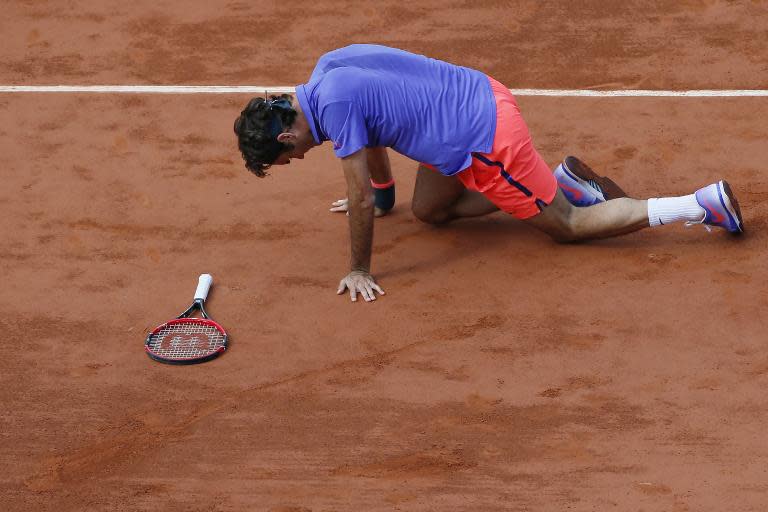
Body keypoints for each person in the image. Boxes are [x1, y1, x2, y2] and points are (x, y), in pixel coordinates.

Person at [234, 44, 744, 303]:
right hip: (469, 107)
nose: (297, 160)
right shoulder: (327, 71)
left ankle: (700, 203)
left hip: (483, 138)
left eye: (287, 158)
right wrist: (389, 199)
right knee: (431, 211)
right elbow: (369, 151)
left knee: (566, 227)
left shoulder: (336, 107)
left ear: (285, 137)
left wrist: (360, 269)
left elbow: (359, 198)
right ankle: (552, 182)